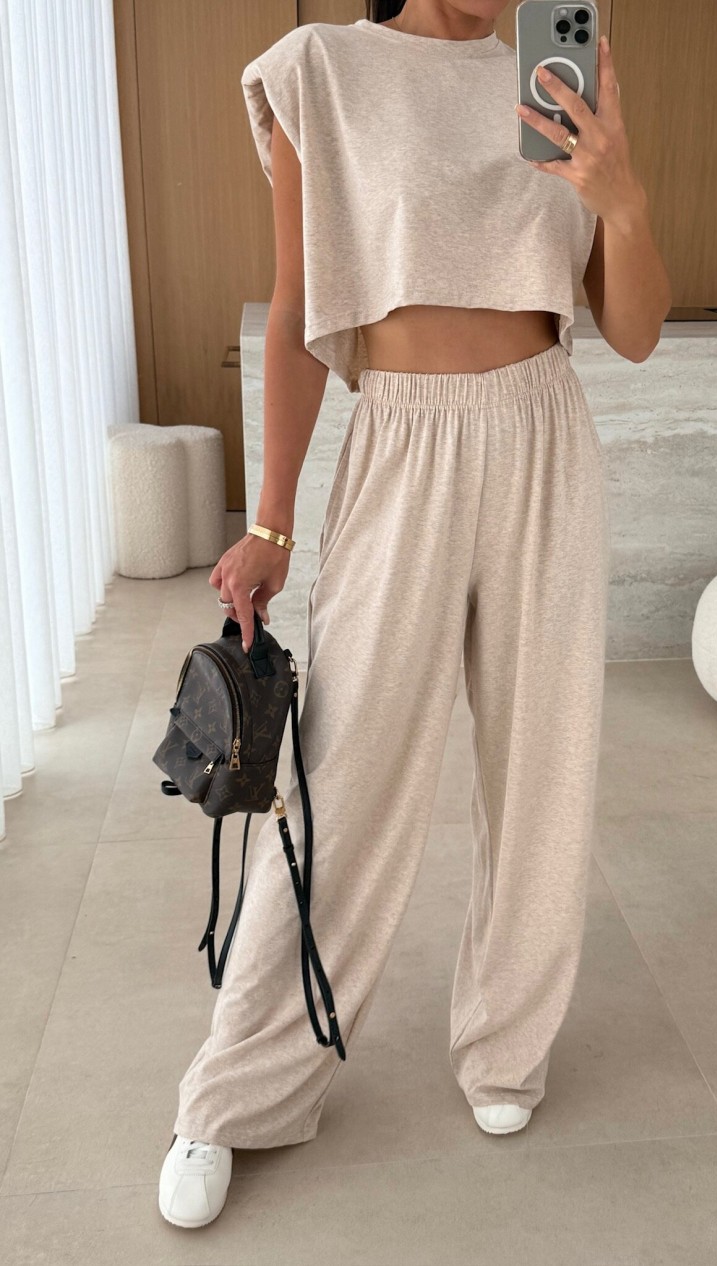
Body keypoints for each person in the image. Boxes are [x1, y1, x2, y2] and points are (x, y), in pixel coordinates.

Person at [159, 0, 669, 1230]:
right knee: (344, 774)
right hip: (401, 441)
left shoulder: (560, 71)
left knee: (541, 767)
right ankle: (236, 1089)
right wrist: (272, 522)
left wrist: (623, 199)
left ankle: (504, 1043)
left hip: (543, 436)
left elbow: (637, 332)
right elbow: (297, 311)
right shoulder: (320, 68)